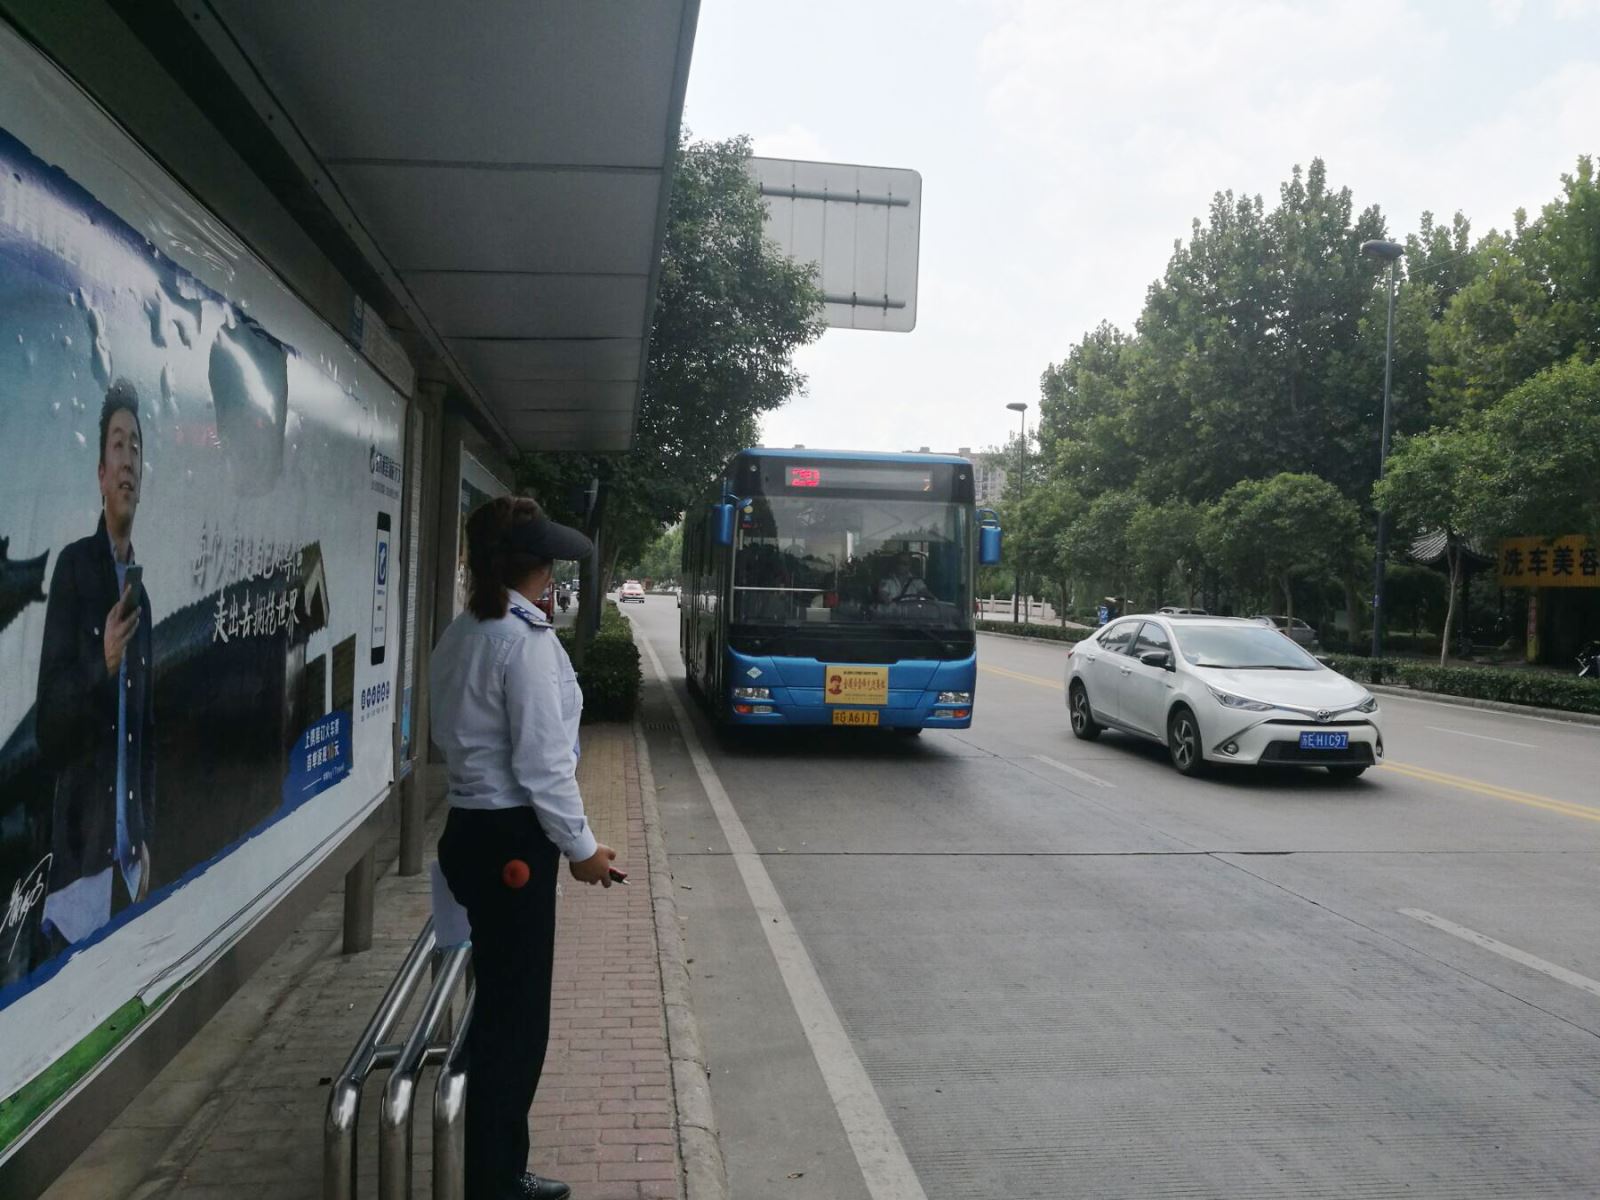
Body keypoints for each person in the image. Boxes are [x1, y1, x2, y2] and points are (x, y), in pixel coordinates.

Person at [429, 496, 618, 1200]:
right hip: (511, 843)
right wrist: (583, 849)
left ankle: (495, 1165)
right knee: (516, 1021)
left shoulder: (464, 631)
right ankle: (496, 1180)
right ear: (535, 568)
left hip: (467, 829)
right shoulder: (523, 641)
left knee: (498, 1005)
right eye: (548, 562)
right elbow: (544, 766)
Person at [33, 379, 155, 954]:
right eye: (117, 445)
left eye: (136, 447)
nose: (128, 459)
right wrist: (100, 663)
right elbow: (48, 729)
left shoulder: (143, 602)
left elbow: (145, 737)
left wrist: (146, 838)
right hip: (77, 885)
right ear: (101, 474)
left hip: (128, 880)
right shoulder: (73, 571)